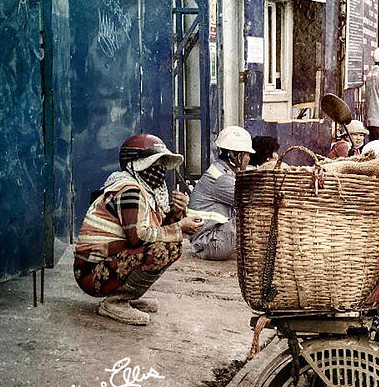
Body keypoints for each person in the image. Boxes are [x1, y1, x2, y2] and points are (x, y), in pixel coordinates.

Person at [74, 134, 203, 326]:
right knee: (164, 250)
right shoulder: (129, 190)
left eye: (162, 163)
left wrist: (177, 212)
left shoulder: (144, 190)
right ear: (136, 163)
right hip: (90, 273)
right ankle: (116, 301)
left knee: (168, 246)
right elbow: (139, 237)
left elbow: (156, 230)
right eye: (154, 162)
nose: (160, 169)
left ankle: (125, 296)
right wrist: (179, 227)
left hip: (105, 264)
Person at [187, 126, 254, 261]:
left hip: (209, 239)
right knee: (254, 215)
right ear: (238, 156)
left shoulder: (222, 171)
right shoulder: (221, 178)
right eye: (247, 155)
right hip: (209, 242)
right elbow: (251, 199)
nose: (248, 159)